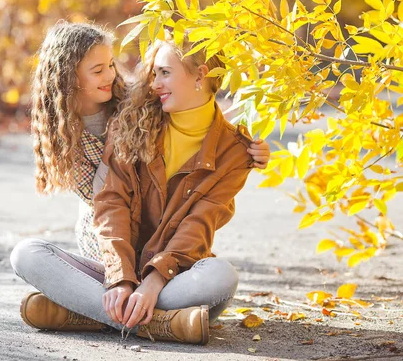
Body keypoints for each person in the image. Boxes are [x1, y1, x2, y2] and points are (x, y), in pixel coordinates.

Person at [10, 25, 269, 345]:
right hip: (109, 257)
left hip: (170, 270)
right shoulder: (121, 122)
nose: (154, 83)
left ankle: (87, 312)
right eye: (154, 73)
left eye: (163, 73)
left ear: (200, 75)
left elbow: (199, 224)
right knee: (26, 254)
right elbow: (109, 202)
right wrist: (120, 280)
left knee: (221, 277)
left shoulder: (222, 146)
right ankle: (163, 324)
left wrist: (151, 283)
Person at [29, 21, 269, 262]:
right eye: (98, 70)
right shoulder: (64, 138)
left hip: (159, 223)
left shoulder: (133, 99)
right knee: (33, 255)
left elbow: (192, 108)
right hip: (104, 231)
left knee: (208, 273)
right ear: (69, 76)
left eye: (111, 65)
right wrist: (114, 147)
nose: (110, 75)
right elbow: (102, 199)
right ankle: (111, 289)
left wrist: (246, 150)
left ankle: (131, 291)